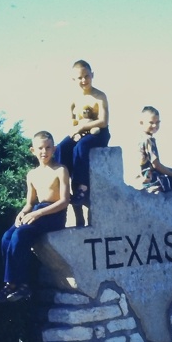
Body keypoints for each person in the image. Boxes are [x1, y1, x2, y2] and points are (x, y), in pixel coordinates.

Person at [0, 131, 70, 302]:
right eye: (40, 148)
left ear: (54, 149)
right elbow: (29, 203)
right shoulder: (32, 174)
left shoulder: (60, 170)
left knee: (21, 234)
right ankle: (12, 284)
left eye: (48, 147)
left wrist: (38, 213)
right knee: (7, 237)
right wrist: (22, 213)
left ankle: (21, 284)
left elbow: (65, 201)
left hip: (53, 214)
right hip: (36, 210)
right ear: (33, 150)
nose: (44, 151)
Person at [54, 60, 110, 223]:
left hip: (98, 133)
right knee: (62, 148)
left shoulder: (99, 96)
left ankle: (82, 188)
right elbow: (71, 121)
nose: (84, 80)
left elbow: (103, 121)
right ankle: (66, 190)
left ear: (92, 75)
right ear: (74, 79)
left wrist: (82, 128)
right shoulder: (73, 98)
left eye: (87, 76)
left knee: (81, 147)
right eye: (80, 78)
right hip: (79, 132)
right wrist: (75, 132)